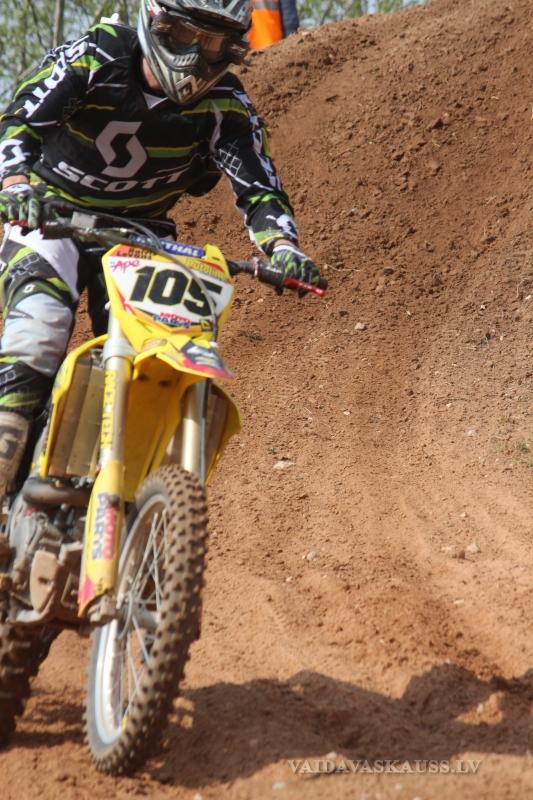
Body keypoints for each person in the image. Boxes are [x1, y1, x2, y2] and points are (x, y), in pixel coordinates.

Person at [0, 0, 320, 504]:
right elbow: (18, 119)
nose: (197, 56)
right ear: (156, 23)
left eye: (213, 43)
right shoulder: (98, 54)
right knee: (37, 334)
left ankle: (110, 494)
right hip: (49, 217)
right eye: (187, 36)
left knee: (147, 361)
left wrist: (283, 247)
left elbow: (259, 187)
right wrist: (16, 182)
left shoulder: (226, 105)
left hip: (139, 236)